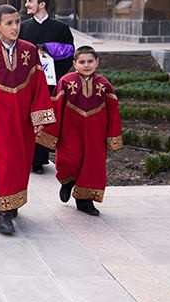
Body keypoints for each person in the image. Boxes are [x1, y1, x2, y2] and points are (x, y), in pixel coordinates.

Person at [0, 4, 56, 235]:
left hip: (24, 119)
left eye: (17, 22)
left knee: (22, 162)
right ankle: (4, 212)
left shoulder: (30, 51)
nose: (15, 27)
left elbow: (39, 84)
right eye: (9, 23)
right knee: (5, 163)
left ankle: (14, 202)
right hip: (0, 120)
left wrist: (39, 115)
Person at [38, 46, 122, 216]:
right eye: (82, 62)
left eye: (90, 61)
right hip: (70, 134)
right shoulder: (66, 82)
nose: (86, 65)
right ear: (74, 63)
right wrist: (50, 133)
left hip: (96, 135)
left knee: (92, 165)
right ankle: (67, 182)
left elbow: (113, 112)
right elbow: (56, 107)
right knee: (69, 162)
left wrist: (112, 136)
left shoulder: (104, 85)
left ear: (97, 62)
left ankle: (85, 202)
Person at [19, 0, 75, 174]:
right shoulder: (23, 28)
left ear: (41, 4)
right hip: (27, 81)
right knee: (27, 119)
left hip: (50, 81)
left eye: (30, 1)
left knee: (44, 117)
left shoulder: (60, 28)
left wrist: (54, 72)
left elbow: (69, 53)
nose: (26, 5)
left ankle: (39, 159)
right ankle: (26, 156)